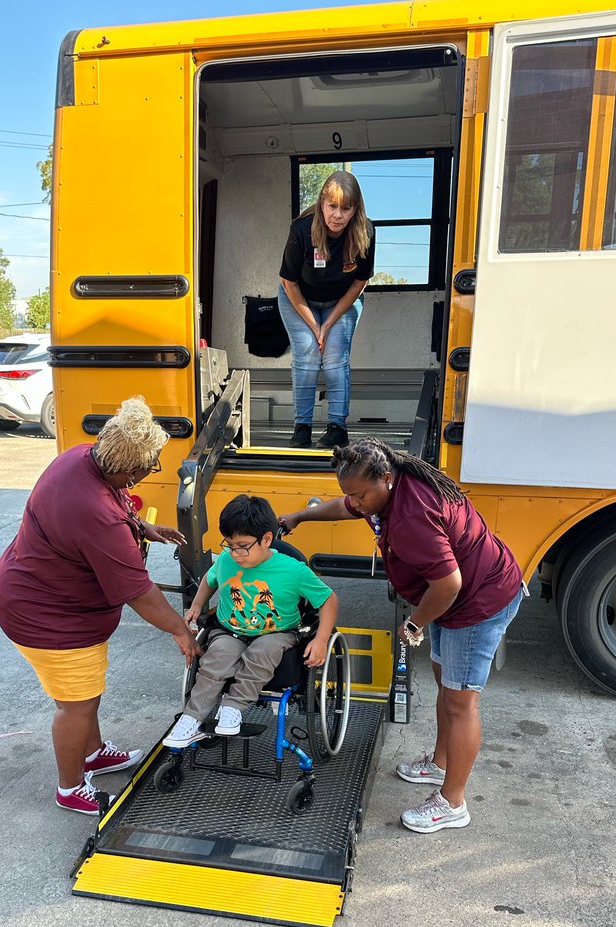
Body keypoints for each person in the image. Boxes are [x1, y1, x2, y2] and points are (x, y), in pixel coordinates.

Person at [279, 438, 524, 835]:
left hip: (478, 602)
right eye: (350, 494)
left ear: (386, 479)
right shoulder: (389, 485)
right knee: (447, 685)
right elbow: (345, 507)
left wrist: (414, 624)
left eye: (360, 495)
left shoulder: (412, 518)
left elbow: (447, 584)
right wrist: (299, 517)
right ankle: (440, 764)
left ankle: (453, 803)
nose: (354, 503)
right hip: (458, 598)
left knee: (462, 701)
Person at [0, 397, 199, 816]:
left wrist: (141, 527)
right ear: (125, 467)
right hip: (48, 615)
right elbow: (138, 591)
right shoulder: (95, 513)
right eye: (147, 467)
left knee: (85, 695)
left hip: (45, 598)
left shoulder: (81, 458)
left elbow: (111, 505)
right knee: (76, 706)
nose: (147, 473)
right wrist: (180, 630)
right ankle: (69, 787)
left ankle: (94, 753)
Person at [163, 494, 338, 746]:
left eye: (243, 546)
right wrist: (197, 605)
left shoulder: (293, 570)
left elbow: (329, 600)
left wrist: (321, 639)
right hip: (230, 630)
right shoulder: (226, 560)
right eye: (230, 545)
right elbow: (210, 580)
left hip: (277, 632)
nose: (235, 554)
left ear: (267, 539)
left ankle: (232, 706)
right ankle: (191, 718)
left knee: (261, 654)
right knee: (215, 660)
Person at [278, 170, 375, 451]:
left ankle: (337, 428)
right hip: (297, 297)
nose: (338, 215)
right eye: (332, 206)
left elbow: (360, 282)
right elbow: (289, 282)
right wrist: (314, 325)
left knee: (334, 357)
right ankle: (302, 428)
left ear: (355, 209)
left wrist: (329, 322)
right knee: (308, 353)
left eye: (346, 208)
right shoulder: (302, 230)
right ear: (322, 204)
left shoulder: (365, 231)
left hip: (343, 300)